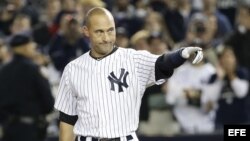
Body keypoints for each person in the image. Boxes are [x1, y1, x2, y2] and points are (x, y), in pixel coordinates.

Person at [54, 7, 203, 141]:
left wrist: (182, 54)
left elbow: (162, 63)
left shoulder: (133, 59)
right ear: (86, 31)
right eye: (99, 32)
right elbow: (67, 120)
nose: (106, 38)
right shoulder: (73, 69)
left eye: (110, 30)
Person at [0, 34, 55, 141]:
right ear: (25, 47)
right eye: (31, 46)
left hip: (8, 129)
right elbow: (48, 103)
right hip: (31, 130)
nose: (34, 49)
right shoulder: (33, 69)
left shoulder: (3, 70)